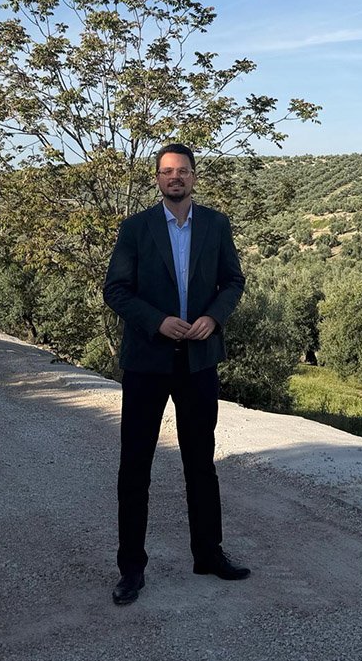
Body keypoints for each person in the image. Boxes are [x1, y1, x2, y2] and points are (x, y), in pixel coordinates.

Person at [103, 142, 249, 606]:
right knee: (135, 468)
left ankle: (208, 554)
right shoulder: (135, 228)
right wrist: (156, 321)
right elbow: (116, 290)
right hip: (147, 362)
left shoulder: (216, 224)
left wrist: (214, 317)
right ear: (158, 179)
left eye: (182, 171)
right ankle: (131, 569)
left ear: (193, 177)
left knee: (201, 464)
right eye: (167, 172)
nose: (175, 178)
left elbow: (233, 282)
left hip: (199, 362)